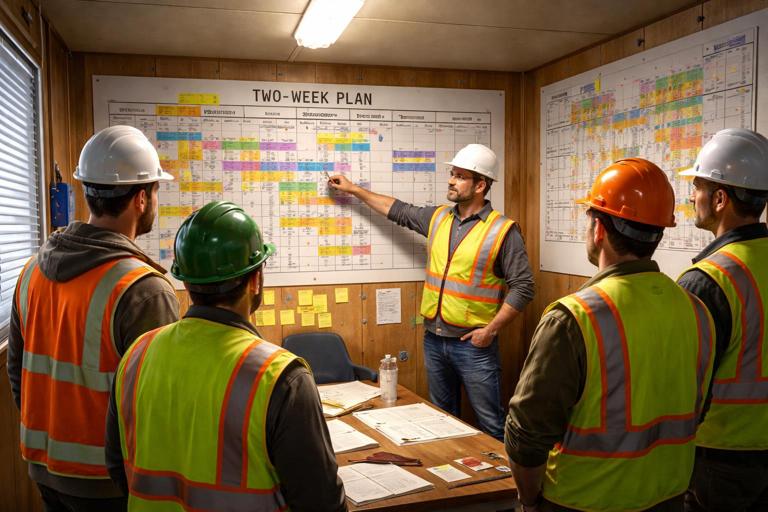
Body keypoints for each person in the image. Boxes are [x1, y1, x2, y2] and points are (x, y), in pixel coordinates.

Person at [105, 201, 347, 511]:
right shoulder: (280, 377)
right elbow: (321, 502)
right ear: (255, 279)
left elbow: (117, 466)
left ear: (186, 281)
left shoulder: (136, 356)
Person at [506, 158, 715, 512]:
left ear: (599, 230)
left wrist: (528, 501)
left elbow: (526, 437)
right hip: (669, 497)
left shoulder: (572, 318)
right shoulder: (697, 309)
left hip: (582, 500)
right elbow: (701, 408)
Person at [7, 125, 180, 511]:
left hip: (43, 468)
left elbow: (17, 372)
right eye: (155, 190)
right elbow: (160, 406)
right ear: (140, 198)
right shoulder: (142, 289)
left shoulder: (31, 270)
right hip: (109, 483)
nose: (155, 199)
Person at [328, 143, 534, 440]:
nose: (451, 180)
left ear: (480, 185)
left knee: (490, 423)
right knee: (442, 420)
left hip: (474, 346)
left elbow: (524, 286)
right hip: (434, 341)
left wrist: (490, 331)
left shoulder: (502, 230)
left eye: (460, 176)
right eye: (452, 174)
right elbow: (396, 210)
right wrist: (354, 190)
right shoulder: (438, 218)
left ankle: (508, 486)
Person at [677, 128, 768, 511]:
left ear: (719, 198)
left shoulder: (708, 281)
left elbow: (682, 384)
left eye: (697, 186)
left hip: (720, 456)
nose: (691, 196)